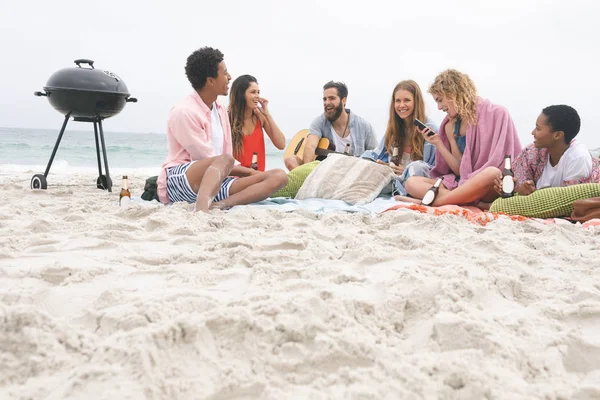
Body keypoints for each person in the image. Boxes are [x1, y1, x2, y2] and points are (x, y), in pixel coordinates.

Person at [156, 47, 287, 212]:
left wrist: (256, 175)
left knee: (279, 176)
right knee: (225, 160)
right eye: (225, 73)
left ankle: (220, 205)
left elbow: (227, 160)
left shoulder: (219, 110)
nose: (229, 77)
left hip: (219, 179)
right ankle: (201, 210)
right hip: (182, 180)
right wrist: (251, 174)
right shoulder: (184, 111)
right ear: (211, 80)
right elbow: (208, 158)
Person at [400, 69, 522, 207]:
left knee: (492, 173)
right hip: (462, 185)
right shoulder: (450, 125)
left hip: (488, 185)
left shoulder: (497, 113)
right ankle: (470, 202)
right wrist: (439, 143)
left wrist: (471, 181)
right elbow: (460, 171)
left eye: (440, 100)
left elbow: (502, 163)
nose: (439, 107)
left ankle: (435, 202)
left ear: (453, 93)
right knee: (411, 183)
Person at [495, 104, 600, 196]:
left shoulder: (577, 157)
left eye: (538, 128)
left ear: (557, 135)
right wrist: (515, 189)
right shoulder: (531, 153)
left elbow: (568, 202)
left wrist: (532, 195)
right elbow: (514, 190)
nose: (533, 132)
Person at [361, 80, 438, 195]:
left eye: (407, 100)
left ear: (416, 102)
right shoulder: (393, 129)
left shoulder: (429, 128)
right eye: (398, 101)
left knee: (416, 167)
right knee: (365, 161)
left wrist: (406, 171)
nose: (401, 105)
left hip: (415, 181)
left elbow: (432, 169)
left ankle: (396, 189)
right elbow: (375, 154)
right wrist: (382, 165)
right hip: (393, 178)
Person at [284, 81, 377, 170]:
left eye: (331, 98)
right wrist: (307, 171)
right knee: (290, 160)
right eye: (324, 99)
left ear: (343, 100)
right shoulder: (319, 122)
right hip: (322, 171)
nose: (327, 102)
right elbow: (310, 146)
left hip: (350, 173)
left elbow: (375, 156)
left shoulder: (364, 126)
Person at [228, 74, 286, 171]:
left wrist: (267, 114)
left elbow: (281, 144)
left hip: (258, 178)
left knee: (279, 174)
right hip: (236, 178)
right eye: (253, 92)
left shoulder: (260, 117)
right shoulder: (227, 118)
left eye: (258, 92)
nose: (257, 96)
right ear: (241, 94)